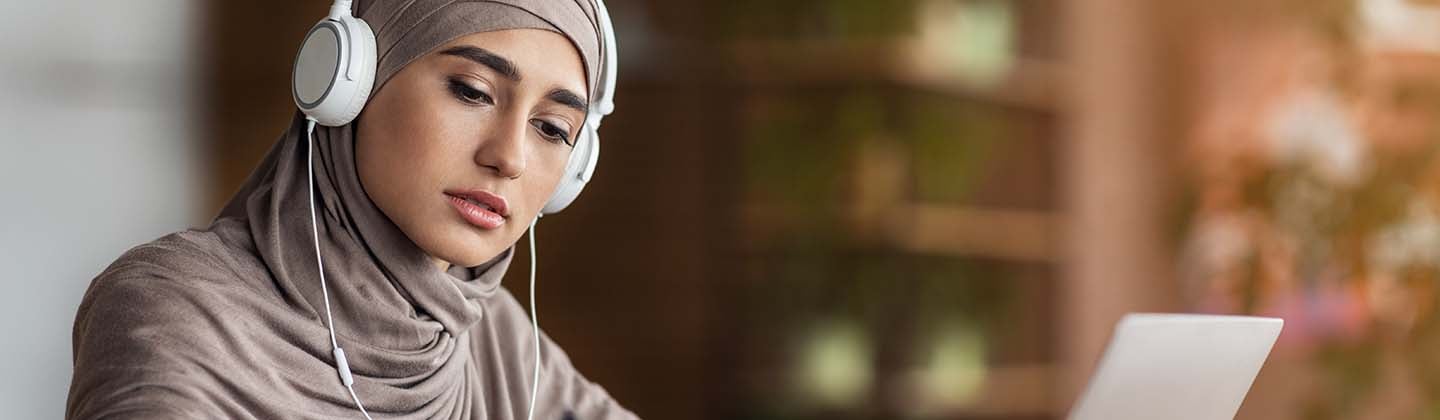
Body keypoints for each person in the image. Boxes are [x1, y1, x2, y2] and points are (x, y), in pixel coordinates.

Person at [64, 1, 637, 418]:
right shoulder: (175, 308)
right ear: (350, 83)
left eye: (553, 129)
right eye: (471, 91)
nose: (509, 156)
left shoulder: (499, 343)